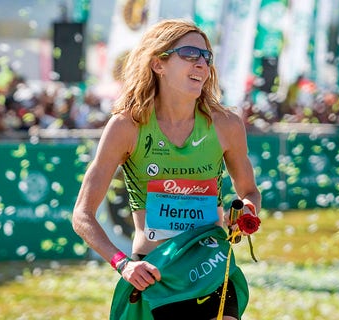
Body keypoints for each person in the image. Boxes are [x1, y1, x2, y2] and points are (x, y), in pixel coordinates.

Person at [72, 19, 261, 320]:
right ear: (159, 63)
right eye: (190, 54)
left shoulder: (226, 124)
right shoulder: (126, 127)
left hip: (210, 264)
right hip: (157, 271)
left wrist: (247, 211)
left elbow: (248, 191)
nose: (202, 63)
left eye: (206, 57)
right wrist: (123, 264)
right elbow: (82, 215)